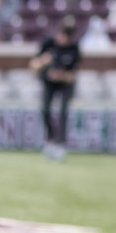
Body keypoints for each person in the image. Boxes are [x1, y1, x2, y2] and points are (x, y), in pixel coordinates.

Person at [30, 16, 81, 161]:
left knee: (63, 111)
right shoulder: (48, 44)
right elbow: (33, 66)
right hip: (48, 84)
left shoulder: (74, 48)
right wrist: (44, 62)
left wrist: (60, 76)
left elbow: (73, 75)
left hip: (65, 84)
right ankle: (50, 139)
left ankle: (60, 144)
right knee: (45, 109)